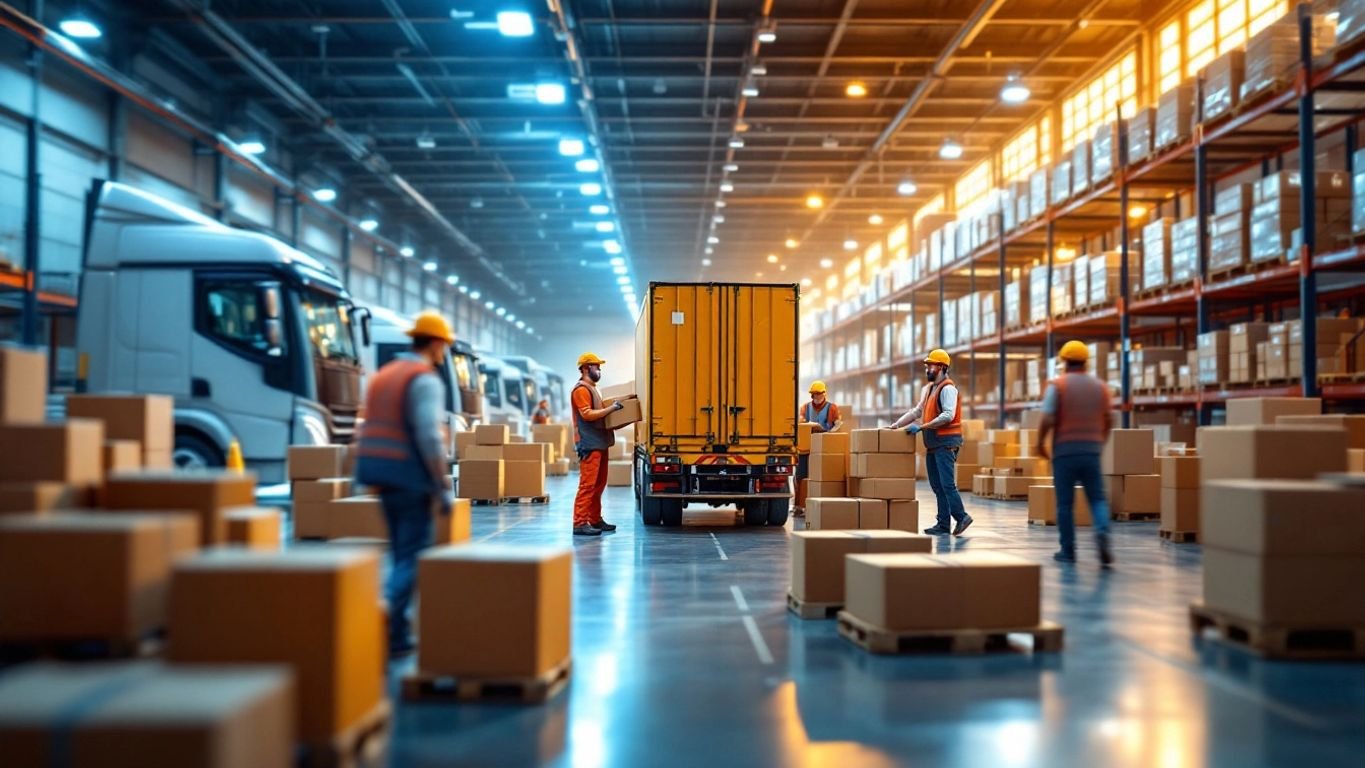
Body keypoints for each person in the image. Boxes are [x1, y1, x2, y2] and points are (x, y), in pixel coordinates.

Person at [352, 310, 455, 656]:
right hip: (408, 476)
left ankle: (394, 635)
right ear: (437, 343)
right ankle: (379, 625)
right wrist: (443, 485)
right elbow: (428, 435)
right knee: (412, 556)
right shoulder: (423, 378)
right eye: (445, 345)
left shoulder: (384, 374)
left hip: (379, 474)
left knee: (399, 553)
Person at [1036, 340, 1115, 566]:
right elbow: (1109, 418)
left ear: (1064, 361)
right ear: (1085, 363)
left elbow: (1048, 417)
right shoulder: (1100, 387)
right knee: (1098, 499)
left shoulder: (1058, 386)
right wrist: (1100, 440)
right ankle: (1101, 531)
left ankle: (1068, 550)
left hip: (1064, 451)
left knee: (1065, 504)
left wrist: (1040, 442)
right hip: (1091, 451)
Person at [890, 349, 973, 537]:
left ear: (942, 367)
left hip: (946, 443)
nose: (927, 368)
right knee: (936, 485)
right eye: (927, 365)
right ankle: (943, 523)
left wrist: (922, 427)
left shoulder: (948, 389)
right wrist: (896, 425)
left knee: (947, 484)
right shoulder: (928, 390)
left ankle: (961, 517)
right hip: (934, 444)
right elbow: (916, 411)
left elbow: (948, 415)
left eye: (931, 365)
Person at [571, 352, 636, 537]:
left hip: (600, 442)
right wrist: (612, 409)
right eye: (595, 366)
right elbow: (587, 414)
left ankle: (594, 519)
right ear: (585, 368)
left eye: (599, 366)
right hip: (590, 444)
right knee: (587, 485)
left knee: (599, 484)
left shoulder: (593, 389)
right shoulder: (581, 390)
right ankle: (580, 522)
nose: (599, 369)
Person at [794, 381, 842, 513]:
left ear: (824, 393)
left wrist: (828, 434)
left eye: (819, 394)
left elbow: (837, 424)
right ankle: (799, 505)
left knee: (823, 477)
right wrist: (808, 424)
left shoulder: (832, 408)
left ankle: (823, 505)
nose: (817, 397)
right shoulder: (805, 407)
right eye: (814, 394)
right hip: (806, 448)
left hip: (823, 448)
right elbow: (801, 420)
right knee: (801, 476)